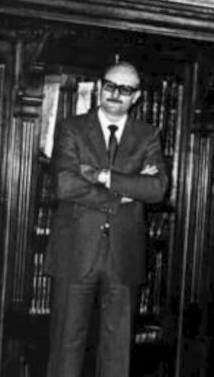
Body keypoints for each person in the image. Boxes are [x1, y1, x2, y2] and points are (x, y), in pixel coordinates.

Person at [43, 61, 169, 377]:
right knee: (66, 347)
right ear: (101, 87)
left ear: (137, 97)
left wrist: (101, 175)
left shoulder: (148, 135)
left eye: (125, 90)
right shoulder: (72, 127)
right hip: (75, 249)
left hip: (123, 253)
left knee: (117, 351)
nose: (116, 94)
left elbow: (156, 189)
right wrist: (122, 194)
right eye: (110, 86)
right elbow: (64, 184)